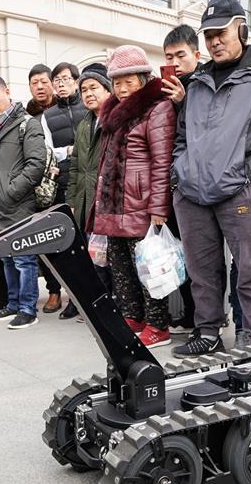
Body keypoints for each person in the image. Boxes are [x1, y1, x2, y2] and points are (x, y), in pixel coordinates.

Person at [171, 0, 251, 355]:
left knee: (250, 270)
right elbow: (182, 136)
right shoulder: (196, 81)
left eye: (221, 33)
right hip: (192, 193)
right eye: (208, 36)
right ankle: (207, 332)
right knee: (201, 271)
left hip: (240, 191)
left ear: (241, 29)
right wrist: (179, 175)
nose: (214, 42)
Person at [92, 45, 176, 348]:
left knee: (148, 266)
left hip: (140, 203)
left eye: (129, 80)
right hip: (114, 203)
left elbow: (162, 161)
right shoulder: (113, 112)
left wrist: (158, 207)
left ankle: (158, 324)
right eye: (117, 82)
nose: (122, 88)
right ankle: (132, 316)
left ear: (143, 78)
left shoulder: (157, 107)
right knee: (120, 265)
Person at [0, 75, 46, 329]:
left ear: (7, 91)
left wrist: (10, 192)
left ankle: (28, 309)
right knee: (6, 257)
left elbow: (36, 164)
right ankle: (14, 304)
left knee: (23, 258)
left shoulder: (26, 124)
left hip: (18, 204)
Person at [40, 62, 87, 318]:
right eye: (56, 79)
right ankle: (73, 299)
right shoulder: (47, 116)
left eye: (66, 78)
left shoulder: (87, 106)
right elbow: (48, 152)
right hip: (63, 186)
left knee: (92, 243)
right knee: (68, 243)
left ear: (76, 81)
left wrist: (72, 151)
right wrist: (69, 150)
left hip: (88, 183)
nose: (60, 83)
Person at [161, 24, 200, 332]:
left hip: (200, 182)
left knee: (201, 255)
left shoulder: (203, 83)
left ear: (196, 55)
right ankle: (184, 314)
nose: (174, 62)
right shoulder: (162, 90)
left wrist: (183, 101)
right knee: (176, 252)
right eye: (168, 56)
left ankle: (204, 318)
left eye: (180, 55)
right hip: (172, 182)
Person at [66, 62, 113, 313]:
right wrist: (73, 201)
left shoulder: (114, 118)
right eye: (83, 89)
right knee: (92, 257)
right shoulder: (84, 124)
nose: (88, 94)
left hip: (106, 202)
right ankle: (98, 307)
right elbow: (75, 167)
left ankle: (111, 307)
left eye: (93, 87)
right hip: (85, 202)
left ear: (107, 89)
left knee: (110, 260)